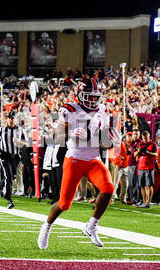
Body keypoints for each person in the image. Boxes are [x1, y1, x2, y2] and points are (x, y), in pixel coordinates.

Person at [38, 78, 121, 249]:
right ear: (79, 95)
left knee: (108, 188)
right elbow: (58, 138)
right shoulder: (69, 109)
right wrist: (70, 132)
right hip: (75, 158)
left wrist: (112, 141)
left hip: (93, 159)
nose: (92, 100)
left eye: (94, 97)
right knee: (64, 203)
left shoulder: (103, 110)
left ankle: (91, 227)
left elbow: (104, 142)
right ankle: (46, 226)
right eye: (88, 96)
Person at [0, 111, 23, 209]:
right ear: (7, 119)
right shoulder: (2, 129)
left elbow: (27, 143)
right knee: (8, 176)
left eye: (12, 118)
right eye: (9, 118)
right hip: (4, 155)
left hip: (15, 156)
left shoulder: (20, 130)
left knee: (12, 176)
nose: (11, 119)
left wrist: (19, 142)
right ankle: (9, 199)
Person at [135, 130, 158, 208]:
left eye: (146, 137)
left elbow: (156, 154)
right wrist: (138, 151)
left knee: (149, 185)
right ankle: (144, 202)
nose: (145, 139)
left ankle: (148, 202)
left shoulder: (153, 144)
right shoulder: (140, 144)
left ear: (149, 137)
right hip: (141, 167)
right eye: (143, 138)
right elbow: (135, 154)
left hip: (149, 167)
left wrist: (148, 153)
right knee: (142, 185)